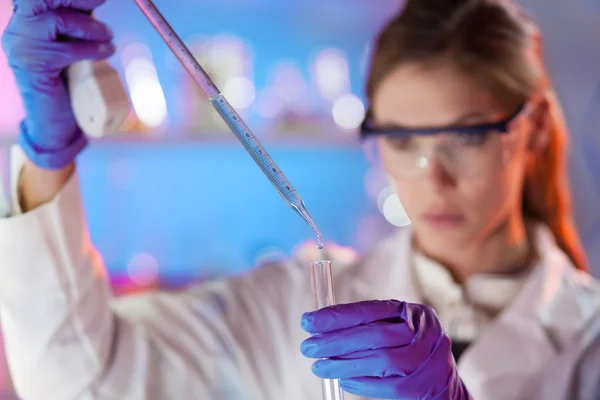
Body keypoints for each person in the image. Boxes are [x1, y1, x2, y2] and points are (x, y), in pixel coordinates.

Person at [1, 0, 599, 399]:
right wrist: (48, 154)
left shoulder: (589, 340)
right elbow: (78, 379)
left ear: (536, 128)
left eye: (467, 135)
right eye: (402, 139)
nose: (431, 176)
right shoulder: (297, 305)